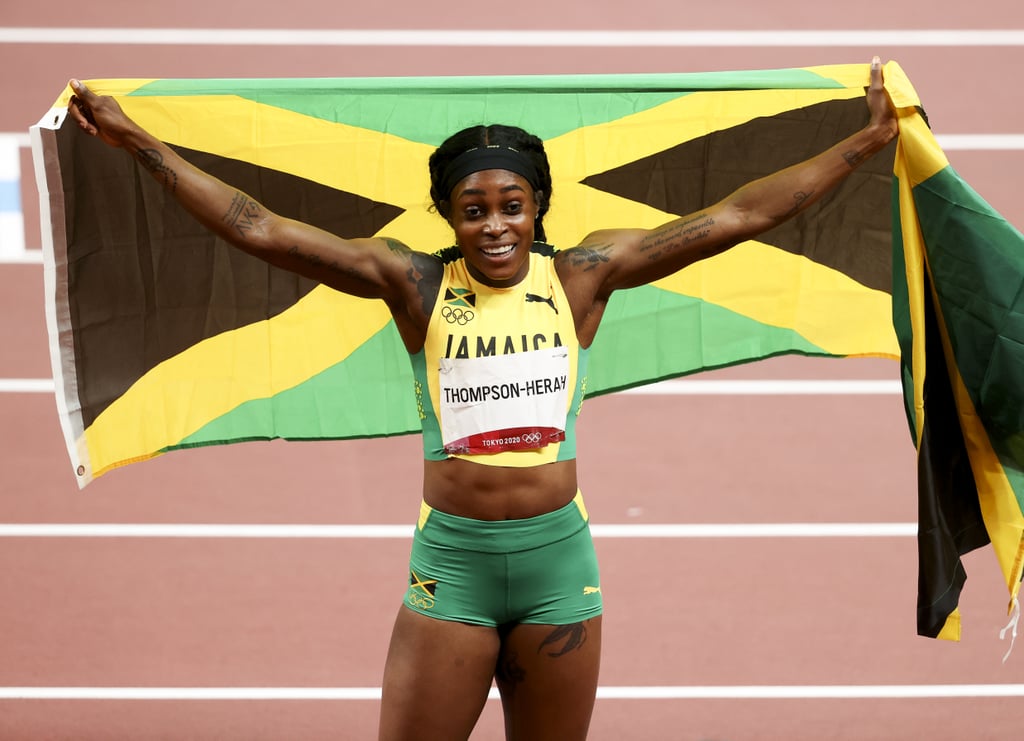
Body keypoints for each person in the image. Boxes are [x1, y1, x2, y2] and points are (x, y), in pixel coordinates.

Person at [67, 57, 897, 741]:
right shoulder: (415, 282)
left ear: (537, 209)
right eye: (473, 211)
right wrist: (140, 139)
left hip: (558, 566)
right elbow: (259, 228)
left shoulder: (581, 275)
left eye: (511, 207)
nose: (494, 226)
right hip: (453, 570)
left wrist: (864, 145)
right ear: (448, 217)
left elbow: (739, 214)